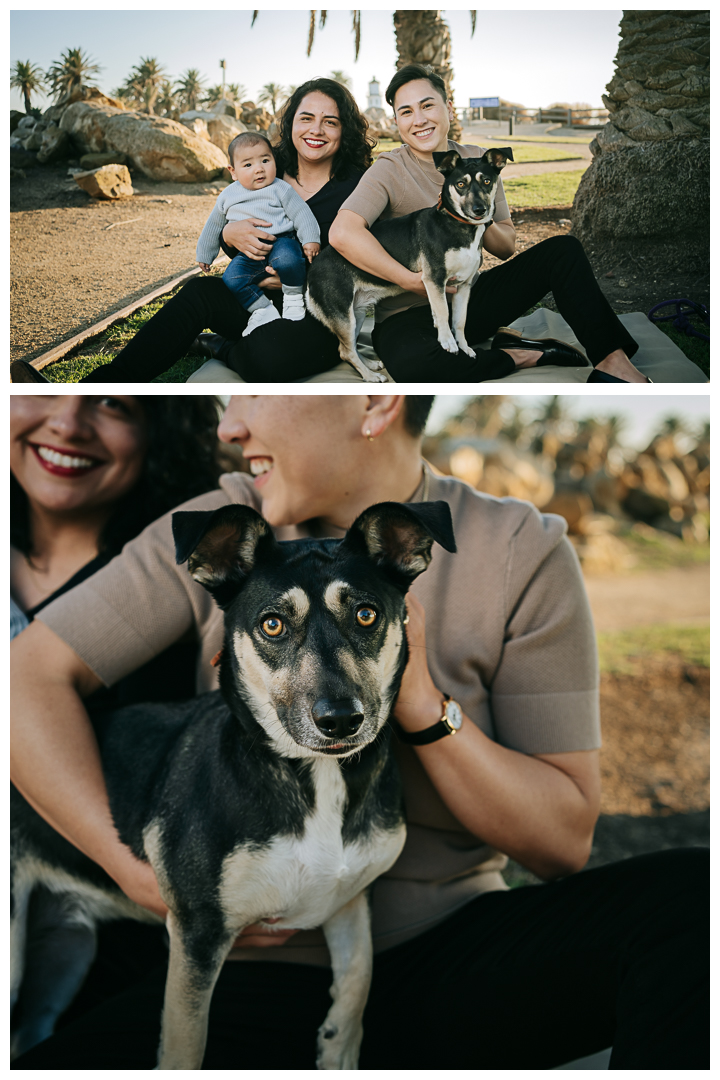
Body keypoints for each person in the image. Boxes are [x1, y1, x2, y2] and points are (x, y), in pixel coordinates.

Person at [11, 395, 707, 1069]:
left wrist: (419, 701)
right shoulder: (228, 525)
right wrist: (139, 872)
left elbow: (562, 846)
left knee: (696, 906)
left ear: (375, 402)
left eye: (256, 392)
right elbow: (24, 681)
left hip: (457, 953)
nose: (230, 422)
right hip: (249, 980)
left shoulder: (519, 546)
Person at [10, 394, 227, 1057]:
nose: (68, 423)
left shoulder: (183, 583)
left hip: (111, 930)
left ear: (164, 428)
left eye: (114, 405)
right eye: (43, 389)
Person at [10, 79, 373, 385]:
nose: (316, 130)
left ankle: (221, 347)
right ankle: (96, 386)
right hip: (253, 296)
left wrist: (302, 278)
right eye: (306, 118)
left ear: (345, 130)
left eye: (331, 122)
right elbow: (232, 224)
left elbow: (362, 262)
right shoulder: (265, 169)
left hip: (316, 310)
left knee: (272, 358)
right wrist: (230, 236)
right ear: (291, 122)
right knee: (199, 291)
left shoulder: (357, 187)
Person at [329, 64, 651, 384]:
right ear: (397, 120)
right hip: (405, 316)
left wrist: (479, 218)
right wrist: (412, 280)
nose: (419, 119)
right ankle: (518, 354)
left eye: (427, 105)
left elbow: (506, 247)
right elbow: (343, 232)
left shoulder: (481, 161)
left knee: (562, 250)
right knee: (417, 368)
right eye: (406, 112)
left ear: (449, 108)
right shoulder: (389, 168)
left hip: (469, 302)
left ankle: (613, 362)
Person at [196, 132, 321, 333]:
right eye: (248, 165)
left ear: (274, 161)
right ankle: (262, 309)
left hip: (282, 240)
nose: (259, 169)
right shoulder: (228, 195)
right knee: (232, 278)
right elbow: (213, 226)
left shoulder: (281, 188)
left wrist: (310, 240)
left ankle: (293, 299)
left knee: (288, 259)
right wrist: (204, 254)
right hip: (249, 252)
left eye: (265, 160)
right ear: (233, 171)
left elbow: (301, 214)